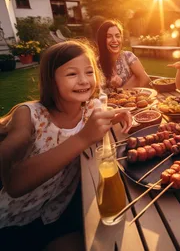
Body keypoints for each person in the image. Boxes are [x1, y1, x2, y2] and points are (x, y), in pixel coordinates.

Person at [0, 40, 132, 250]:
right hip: (13, 223)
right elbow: (15, 184)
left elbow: (99, 117)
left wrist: (117, 115)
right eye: (72, 74)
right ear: (51, 81)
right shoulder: (29, 114)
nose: (83, 81)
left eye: (89, 72)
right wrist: (82, 138)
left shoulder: (91, 109)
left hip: (57, 216)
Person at [96, 19, 151, 91]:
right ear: (102, 39)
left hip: (132, 100)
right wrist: (116, 88)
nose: (115, 40)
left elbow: (146, 80)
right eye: (109, 36)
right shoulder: (96, 64)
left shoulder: (128, 56)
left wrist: (123, 90)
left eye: (117, 36)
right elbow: (96, 95)